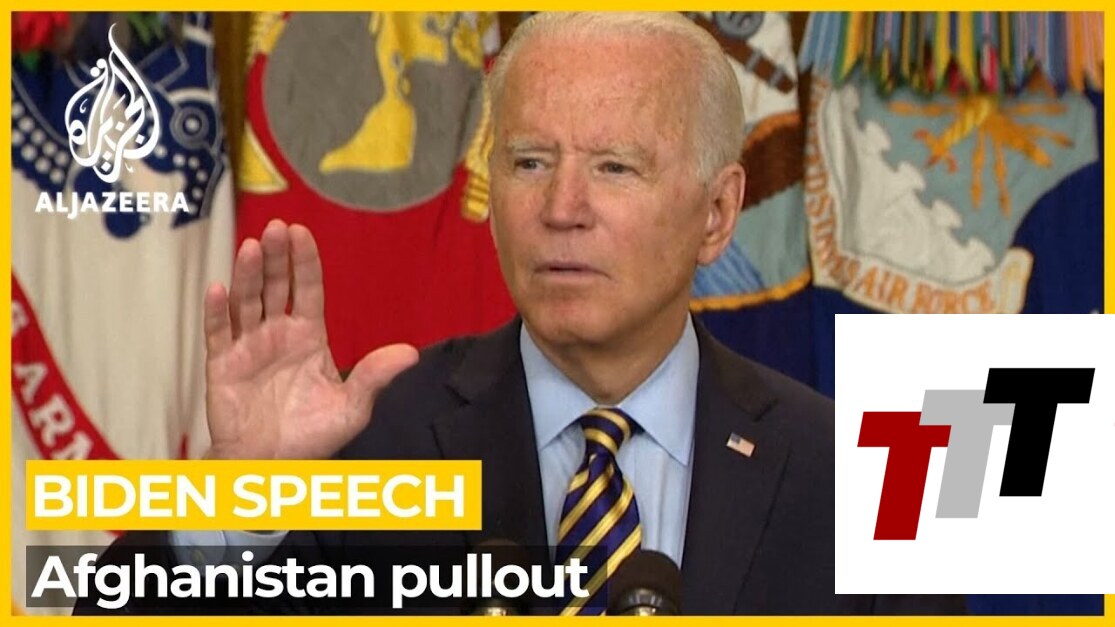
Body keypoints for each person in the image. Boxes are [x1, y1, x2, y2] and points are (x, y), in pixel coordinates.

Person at [76, 12, 964, 615]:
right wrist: (238, 501)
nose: (561, 208)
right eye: (529, 162)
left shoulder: (856, 480)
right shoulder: (362, 444)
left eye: (614, 167)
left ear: (718, 213)